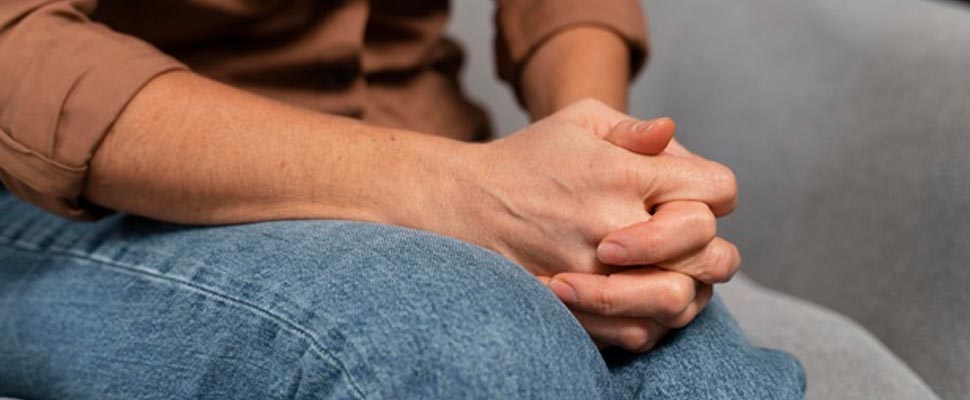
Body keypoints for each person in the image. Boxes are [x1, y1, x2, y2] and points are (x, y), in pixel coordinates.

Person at [0, 0, 805, 398]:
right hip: (86, 182)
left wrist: (599, 171)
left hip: (439, 142)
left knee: (704, 378)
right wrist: (457, 191)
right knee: (476, 349)